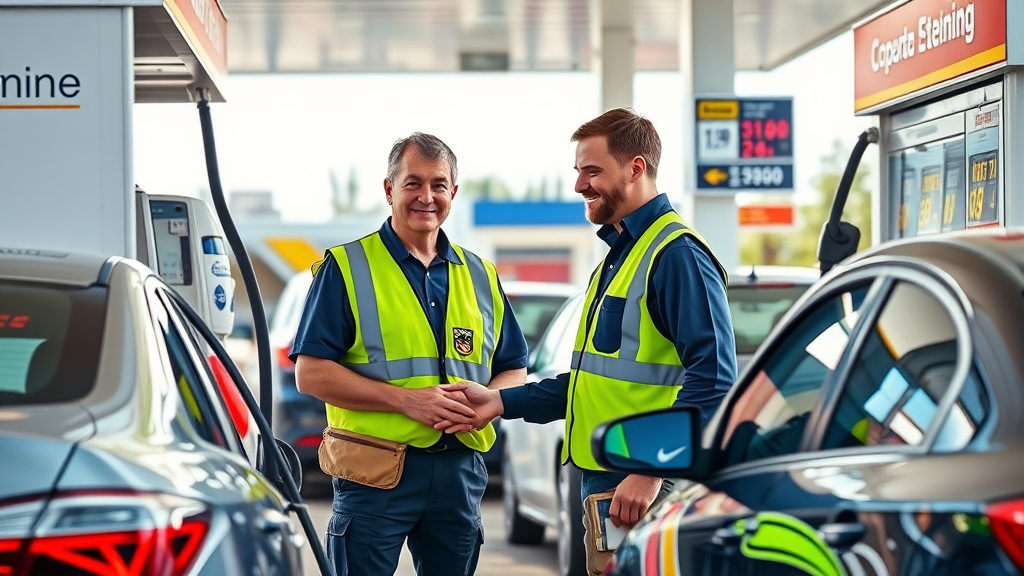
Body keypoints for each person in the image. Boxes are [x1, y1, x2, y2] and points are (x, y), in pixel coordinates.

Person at [440, 108, 737, 573]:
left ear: (635, 168)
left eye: (591, 171)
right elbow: (590, 383)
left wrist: (649, 470)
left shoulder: (676, 255)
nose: (579, 185)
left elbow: (715, 379)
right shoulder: (621, 256)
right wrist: (498, 402)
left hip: (642, 485)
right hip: (610, 482)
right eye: (578, 171)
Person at [291, 132, 529, 576]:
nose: (427, 196)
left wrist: (489, 404)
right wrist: (407, 400)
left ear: (453, 193)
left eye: (439, 184)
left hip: (458, 472)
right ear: (389, 190)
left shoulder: (481, 274)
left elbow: (513, 365)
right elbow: (311, 374)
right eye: (413, 183)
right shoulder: (347, 267)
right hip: (373, 471)